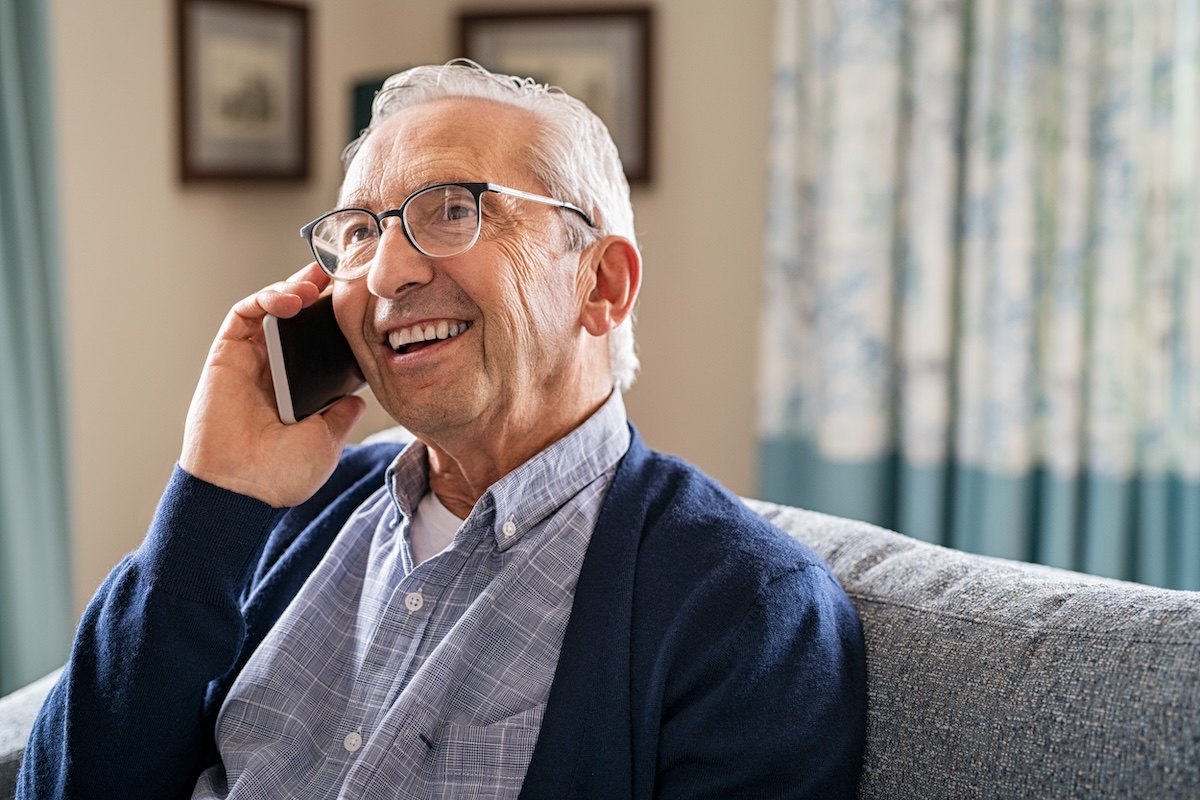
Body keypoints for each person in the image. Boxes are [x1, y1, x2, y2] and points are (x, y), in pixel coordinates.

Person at [18, 60, 866, 799]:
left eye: (452, 209)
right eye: (358, 232)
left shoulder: (752, 615)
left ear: (602, 283)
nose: (386, 271)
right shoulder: (287, 512)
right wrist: (213, 496)